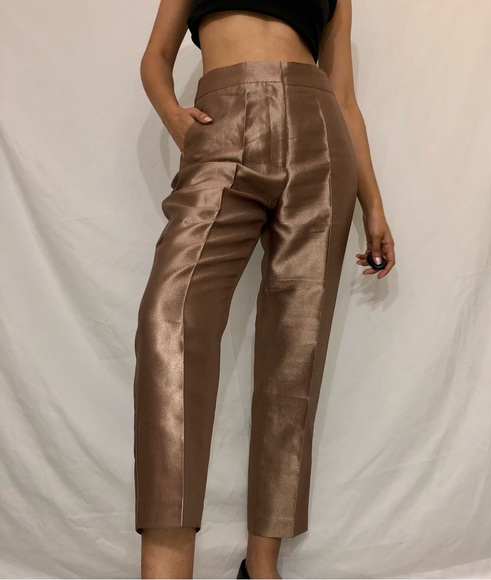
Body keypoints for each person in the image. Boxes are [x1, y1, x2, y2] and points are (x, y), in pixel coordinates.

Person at [133, 0, 396, 577]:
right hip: (222, 126)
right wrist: (176, 118)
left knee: (294, 356)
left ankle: (261, 566)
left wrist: (373, 205)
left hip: (319, 134)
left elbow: (345, 97)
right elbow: (156, 56)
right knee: (169, 321)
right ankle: (166, 568)